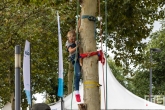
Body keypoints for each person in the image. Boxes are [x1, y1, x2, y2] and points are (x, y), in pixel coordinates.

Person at [65, 30, 82, 102]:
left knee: (82, 75)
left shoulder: (76, 40)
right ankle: (77, 93)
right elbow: (71, 51)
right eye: (70, 38)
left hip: (80, 57)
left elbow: (78, 27)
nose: (72, 40)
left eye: (73, 38)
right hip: (74, 58)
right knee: (77, 74)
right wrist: (77, 47)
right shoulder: (68, 43)